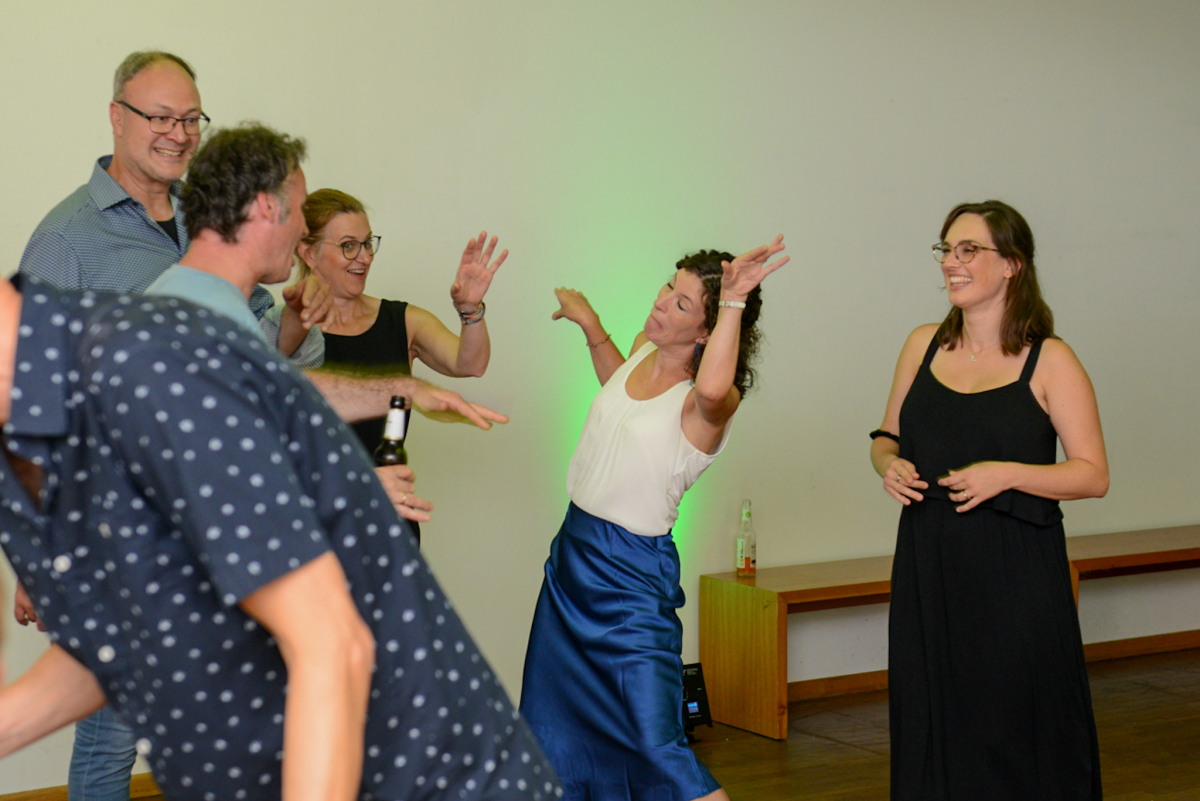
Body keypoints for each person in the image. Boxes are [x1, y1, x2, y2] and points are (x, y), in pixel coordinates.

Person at [0, 123, 560, 801]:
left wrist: (388, 413)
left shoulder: (167, 350)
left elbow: (322, 640)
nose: (301, 237)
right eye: (299, 215)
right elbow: (130, 628)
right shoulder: (144, 366)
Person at [520, 239, 787, 801]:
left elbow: (711, 386)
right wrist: (591, 325)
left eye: (683, 304)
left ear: (707, 333)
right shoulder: (644, 351)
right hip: (571, 563)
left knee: (657, 746)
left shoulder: (711, 403)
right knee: (554, 735)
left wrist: (734, 299)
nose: (663, 302)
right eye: (669, 286)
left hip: (629, 578)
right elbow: (620, 398)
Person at [870, 200, 1107, 800]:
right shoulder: (922, 344)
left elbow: (1092, 475)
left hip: (1014, 574)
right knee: (932, 716)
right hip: (928, 563)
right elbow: (886, 436)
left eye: (968, 250)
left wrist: (1007, 474)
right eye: (946, 249)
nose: (951, 262)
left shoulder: (1051, 359)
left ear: (1012, 265)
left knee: (1012, 724)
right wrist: (887, 464)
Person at [20, 50, 329, 369]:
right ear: (118, 117)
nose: (180, 135)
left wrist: (296, 317)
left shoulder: (209, 210)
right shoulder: (64, 239)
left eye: (191, 120)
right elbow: (28, 373)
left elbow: (244, 350)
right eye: (160, 118)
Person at [293, 189, 506, 452]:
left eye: (367, 243)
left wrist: (470, 308)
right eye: (348, 246)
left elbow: (471, 364)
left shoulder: (402, 321)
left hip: (386, 479)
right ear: (309, 254)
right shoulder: (281, 330)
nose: (365, 257)